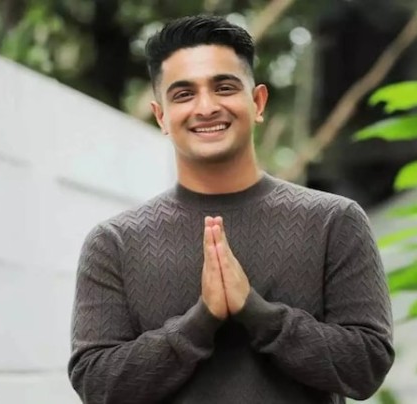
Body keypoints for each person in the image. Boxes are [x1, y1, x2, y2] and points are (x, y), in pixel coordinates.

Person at [68, 14, 394, 404]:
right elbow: (96, 384)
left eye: (223, 87)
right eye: (184, 94)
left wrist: (258, 313)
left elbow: (367, 366)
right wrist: (200, 321)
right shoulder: (114, 243)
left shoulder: (334, 221)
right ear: (161, 116)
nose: (206, 107)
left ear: (257, 102)